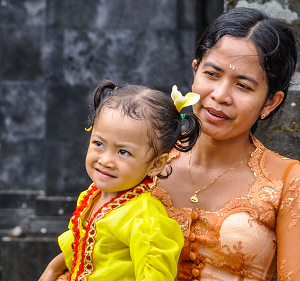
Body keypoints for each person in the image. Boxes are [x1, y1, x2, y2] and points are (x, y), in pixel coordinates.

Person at [151, 7, 300, 280]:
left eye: (243, 86)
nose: (220, 95)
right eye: (212, 74)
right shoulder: (146, 156)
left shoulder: (290, 184)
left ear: (270, 101)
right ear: (195, 71)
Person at [39, 80, 201, 281]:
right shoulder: (93, 195)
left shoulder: (145, 219)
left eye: (123, 152)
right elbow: (81, 242)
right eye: (99, 143)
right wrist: (53, 270)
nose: (105, 160)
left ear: (156, 164)